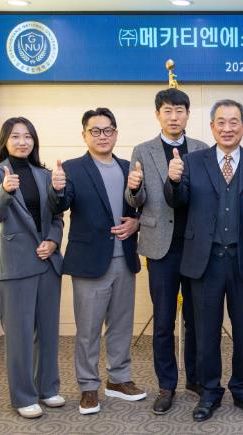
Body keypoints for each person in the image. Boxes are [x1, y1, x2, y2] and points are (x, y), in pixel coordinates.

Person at [164, 99, 243, 422]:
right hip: (204, 262)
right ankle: (209, 391)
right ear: (212, 127)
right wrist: (173, 180)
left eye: (234, 122)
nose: (227, 128)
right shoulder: (191, 161)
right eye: (221, 122)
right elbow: (177, 201)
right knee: (205, 332)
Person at [53, 108, 144, 415]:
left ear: (116, 134)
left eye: (108, 130)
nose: (102, 136)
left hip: (124, 259)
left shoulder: (128, 167)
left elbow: (140, 206)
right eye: (95, 131)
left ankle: (118, 379)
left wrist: (136, 222)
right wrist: (57, 188)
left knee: (121, 325)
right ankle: (88, 386)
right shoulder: (72, 168)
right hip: (89, 262)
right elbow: (61, 204)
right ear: (84, 135)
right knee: (88, 330)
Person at [125, 88, 209, 414]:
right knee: (163, 321)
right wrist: (133, 188)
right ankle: (166, 384)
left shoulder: (201, 149)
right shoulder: (142, 150)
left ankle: (196, 379)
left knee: (196, 319)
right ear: (157, 114)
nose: (174, 117)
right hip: (161, 247)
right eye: (167, 111)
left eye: (179, 111)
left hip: (196, 246)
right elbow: (136, 200)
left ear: (188, 114)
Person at [0, 117, 66, 418]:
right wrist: (4, 191)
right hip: (15, 264)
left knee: (48, 332)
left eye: (28, 136)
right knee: (19, 336)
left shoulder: (45, 174)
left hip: (47, 262)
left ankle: (48, 389)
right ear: (5, 141)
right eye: (15, 136)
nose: (22, 142)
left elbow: (56, 217)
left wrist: (53, 241)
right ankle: (23, 397)